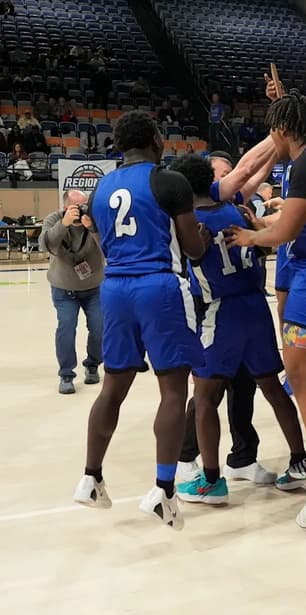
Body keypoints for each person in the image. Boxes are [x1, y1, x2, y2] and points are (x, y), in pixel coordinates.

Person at [225, 92, 306, 528]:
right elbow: (295, 223)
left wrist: (251, 237)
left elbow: (285, 231)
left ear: (282, 130)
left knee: (300, 372)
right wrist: (259, 224)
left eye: (272, 132)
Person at [72, 111, 211, 529]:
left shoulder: (100, 188)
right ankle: (164, 490)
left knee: (112, 388)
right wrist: (202, 239)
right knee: (173, 389)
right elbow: (193, 249)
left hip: (115, 289)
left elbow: (104, 243)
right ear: (155, 139)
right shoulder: (170, 181)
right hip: (158, 286)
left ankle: (91, 477)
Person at [168, 155, 306, 505]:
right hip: (255, 306)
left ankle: (211, 480)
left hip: (220, 311)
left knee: (205, 397)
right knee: (273, 389)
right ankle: (299, 460)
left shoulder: (189, 222)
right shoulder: (237, 211)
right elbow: (262, 249)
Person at [39, 190, 104, 394]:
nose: (81, 210)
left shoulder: (95, 220)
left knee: (100, 328)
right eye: (77, 206)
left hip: (93, 287)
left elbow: (108, 247)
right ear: (65, 207)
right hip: (64, 288)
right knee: (66, 328)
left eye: (85, 205)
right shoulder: (53, 219)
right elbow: (44, 244)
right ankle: (66, 374)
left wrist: (92, 228)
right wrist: (64, 224)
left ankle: (92, 364)